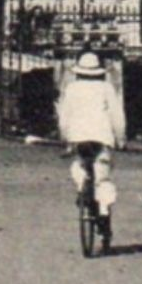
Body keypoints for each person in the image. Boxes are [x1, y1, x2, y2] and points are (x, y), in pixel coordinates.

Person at [56, 51, 126, 212]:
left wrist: (65, 138)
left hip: (78, 136)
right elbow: (117, 115)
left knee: (79, 163)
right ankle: (103, 208)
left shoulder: (72, 88)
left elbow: (64, 116)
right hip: (102, 136)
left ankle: (81, 185)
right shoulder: (106, 88)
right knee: (103, 172)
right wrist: (120, 138)